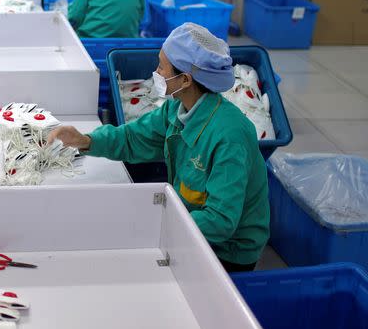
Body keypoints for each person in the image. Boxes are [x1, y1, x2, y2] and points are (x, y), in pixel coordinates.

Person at [48, 24, 269, 272]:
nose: (156, 72)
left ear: (185, 79)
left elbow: (220, 221)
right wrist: (86, 141)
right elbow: (133, 138)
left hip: (228, 250)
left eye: (162, 66)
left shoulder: (229, 137)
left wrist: (157, 223)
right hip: (189, 220)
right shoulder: (177, 109)